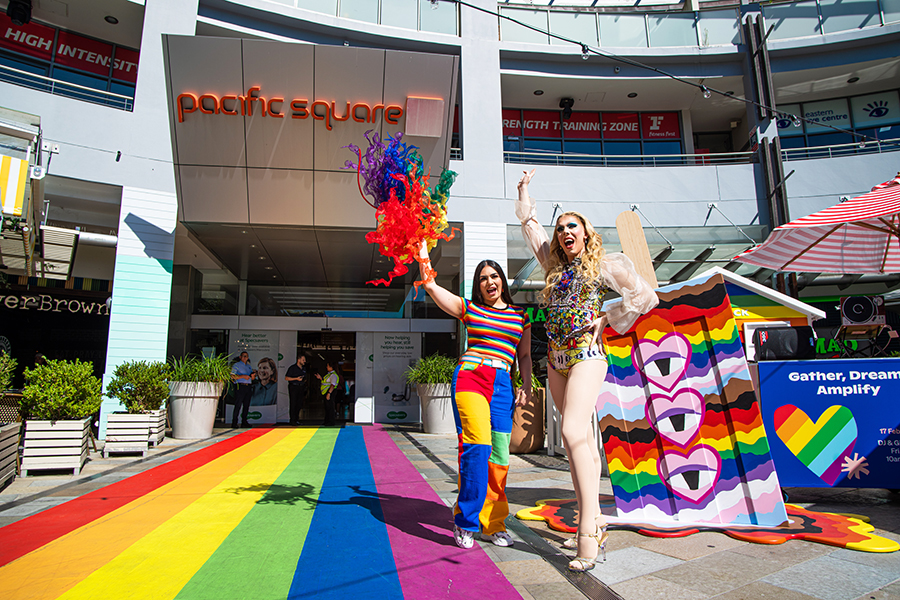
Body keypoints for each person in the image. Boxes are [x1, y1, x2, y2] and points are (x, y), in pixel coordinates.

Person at [516, 168, 658, 572]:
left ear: (586, 233)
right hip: (556, 360)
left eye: (571, 227)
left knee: (572, 431)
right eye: (561, 228)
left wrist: (606, 317)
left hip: (587, 356)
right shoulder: (552, 266)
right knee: (583, 442)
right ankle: (595, 516)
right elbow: (530, 225)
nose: (564, 232)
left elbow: (645, 296)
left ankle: (587, 532)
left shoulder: (603, 265)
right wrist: (525, 191)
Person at [418, 240, 532, 550]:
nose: (489, 282)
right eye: (483, 278)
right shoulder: (470, 308)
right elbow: (430, 285)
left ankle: (493, 524)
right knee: (477, 447)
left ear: (502, 281)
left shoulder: (521, 316)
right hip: (472, 376)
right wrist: (423, 253)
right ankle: (465, 521)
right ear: (477, 287)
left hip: (503, 384)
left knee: (500, 457)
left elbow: (523, 357)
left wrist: (527, 383)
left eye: (494, 276)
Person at [230, 352, 256, 428]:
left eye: (246, 356)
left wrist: (253, 376)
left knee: (246, 405)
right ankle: (234, 422)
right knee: (238, 405)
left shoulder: (248, 366)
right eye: (244, 356)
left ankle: (244, 421)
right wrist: (243, 376)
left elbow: (252, 378)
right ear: (240, 357)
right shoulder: (236, 365)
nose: (245, 358)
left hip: (248, 386)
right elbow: (232, 376)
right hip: (240, 386)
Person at [285, 353, 309, 425]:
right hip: (294, 387)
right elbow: (286, 378)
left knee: (299, 403)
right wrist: (296, 379)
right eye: (303, 360)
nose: (304, 361)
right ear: (298, 360)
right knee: (293, 403)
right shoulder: (292, 368)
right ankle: (292, 420)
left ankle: (297, 419)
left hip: (301, 387)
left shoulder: (304, 369)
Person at [316, 362, 339, 427]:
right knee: (327, 407)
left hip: (330, 392)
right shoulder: (329, 374)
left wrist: (329, 393)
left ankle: (331, 422)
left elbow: (332, 385)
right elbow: (325, 382)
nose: (326, 367)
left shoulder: (333, 375)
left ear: (331, 367)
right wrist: (320, 378)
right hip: (327, 392)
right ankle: (327, 421)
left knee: (330, 407)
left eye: (328, 366)